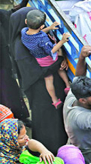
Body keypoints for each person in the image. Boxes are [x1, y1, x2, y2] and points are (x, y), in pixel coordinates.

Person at [9, 7, 68, 155]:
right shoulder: (20, 49)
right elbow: (37, 72)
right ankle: (50, 150)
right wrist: (59, 61)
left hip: (43, 87)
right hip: (41, 90)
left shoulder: (25, 35)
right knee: (49, 121)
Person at [21, 10, 71, 109]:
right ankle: (67, 85)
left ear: (26, 21)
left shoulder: (24, 32)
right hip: (49, 59)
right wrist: (62, 41)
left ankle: (54, 100)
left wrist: (49, 28)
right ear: (42, 26)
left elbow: (36, 34)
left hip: (39, 60)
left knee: (48, 79)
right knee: (60, 67)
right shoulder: (42, 38)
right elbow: (52, 50)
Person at [0, 7, 30, 123]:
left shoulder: (1, 14)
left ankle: (18, 116)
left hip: (3, 62)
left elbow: (11, 13)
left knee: (9, 89)